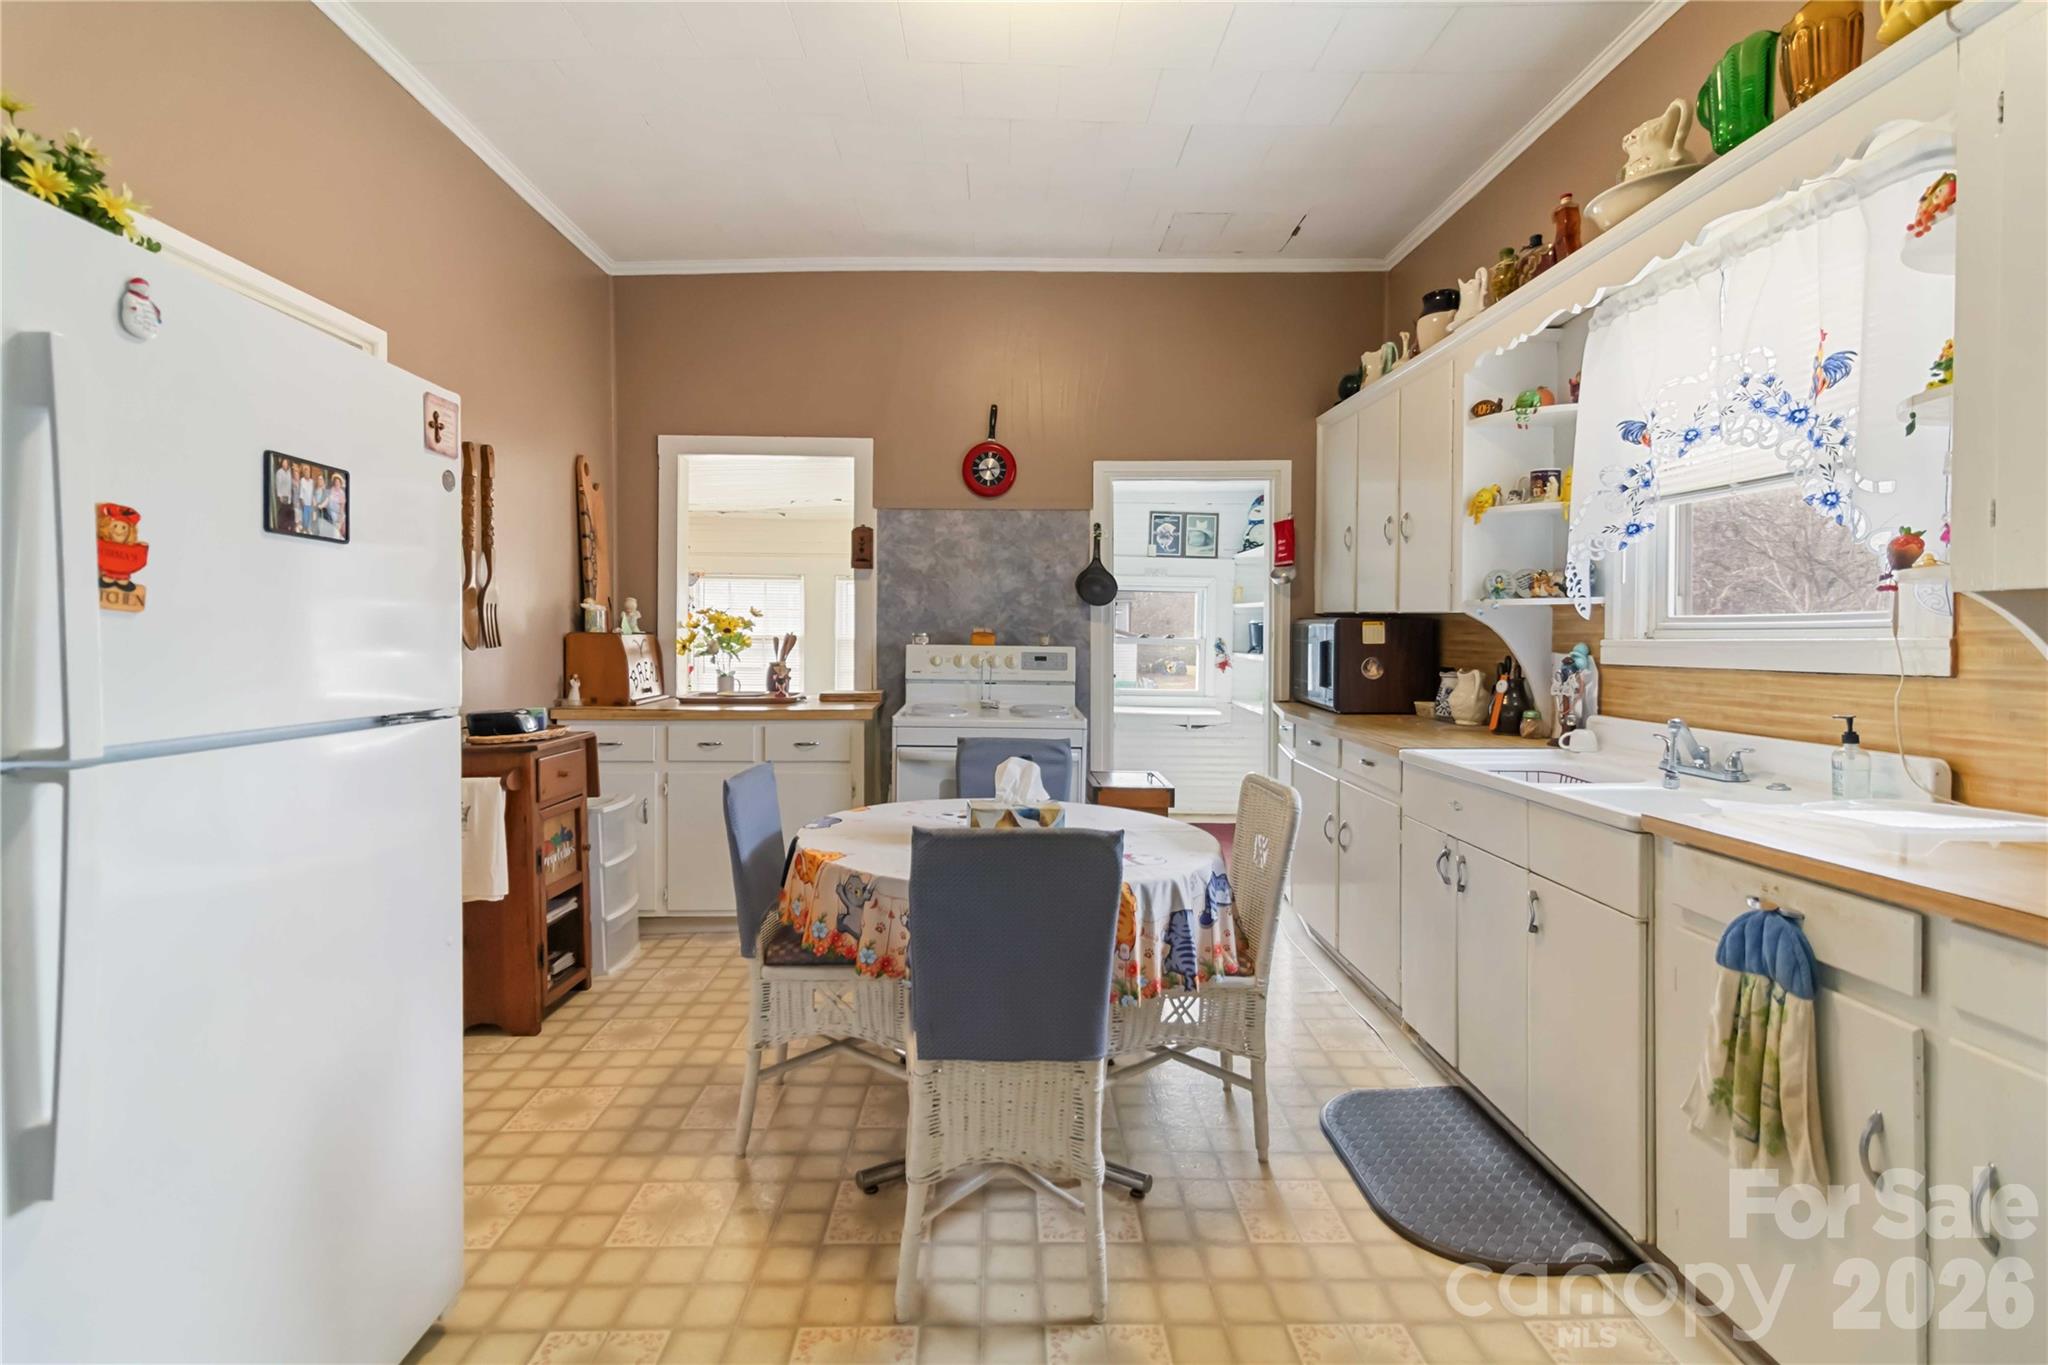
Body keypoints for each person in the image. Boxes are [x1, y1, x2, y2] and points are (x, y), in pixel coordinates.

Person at [272, 457, 294, 532]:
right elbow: (278, 484)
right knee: (283, 512)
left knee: (289, 512)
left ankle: (289, 528)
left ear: (288, 464)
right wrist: (280, 496)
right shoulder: (279, 472)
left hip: (290, 495)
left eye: (286, 463)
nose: (284, 464)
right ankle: (282, 528)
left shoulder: (290, 472)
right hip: (283, 496)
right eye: (283, 463)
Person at [324, 472, 346, 540]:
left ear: (340, 483)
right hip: (332, 513)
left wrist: (340, 516)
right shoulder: (331, 490)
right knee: (335, 530)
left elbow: (342, 506)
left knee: (341, 528)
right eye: (336, 481)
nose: (337, 483)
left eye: (338, 482)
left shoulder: (342, 492)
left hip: (339, 513)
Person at [297, 463, 316, 535]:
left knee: (310, 518)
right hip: (304, 503)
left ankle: (308, 530)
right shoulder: (302, 480)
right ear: (304, 473)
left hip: (310, 503)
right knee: (305, 518)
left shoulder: (312, 481)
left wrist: (313, 502)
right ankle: (305, 529)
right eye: (305, 472)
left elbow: (313, 493)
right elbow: (301, 493)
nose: (307, 473)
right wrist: (303, 503)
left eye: (308, 472)